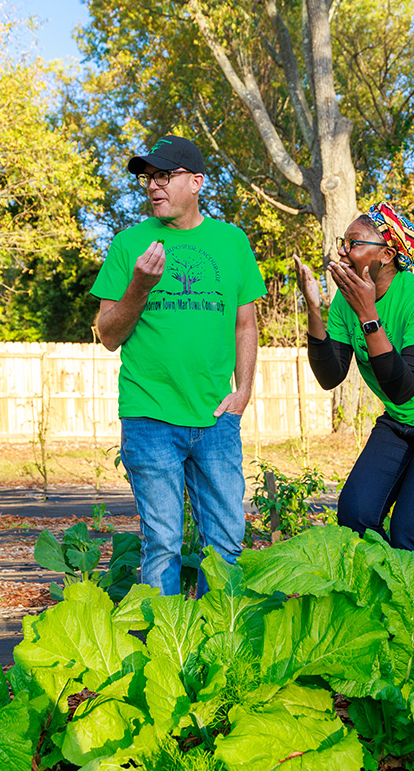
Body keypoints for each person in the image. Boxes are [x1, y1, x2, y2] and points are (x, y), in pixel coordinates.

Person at [91, 134, 266, 596]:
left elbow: (245, 325)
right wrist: (139, 288)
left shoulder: (231, 242)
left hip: (216, 416)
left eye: (165, 175)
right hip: (150, 416)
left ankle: (218, 647)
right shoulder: (130, 245)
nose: (153, 186)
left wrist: (243, 391)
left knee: (226, 542)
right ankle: (163, 650)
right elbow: (107, 335)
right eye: (149, 178)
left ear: (197, 182)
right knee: (163, 543)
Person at [293, 202, 414, 553]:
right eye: (343, 241)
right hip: (401, 421)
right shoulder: (344, 301)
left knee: (409, 534)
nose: (342, 249)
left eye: (353, 242)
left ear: (385, 254)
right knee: (355, 514)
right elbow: (330, 375)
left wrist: (369, 314)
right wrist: (313, 309)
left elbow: (404, 387)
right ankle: (376, 599)